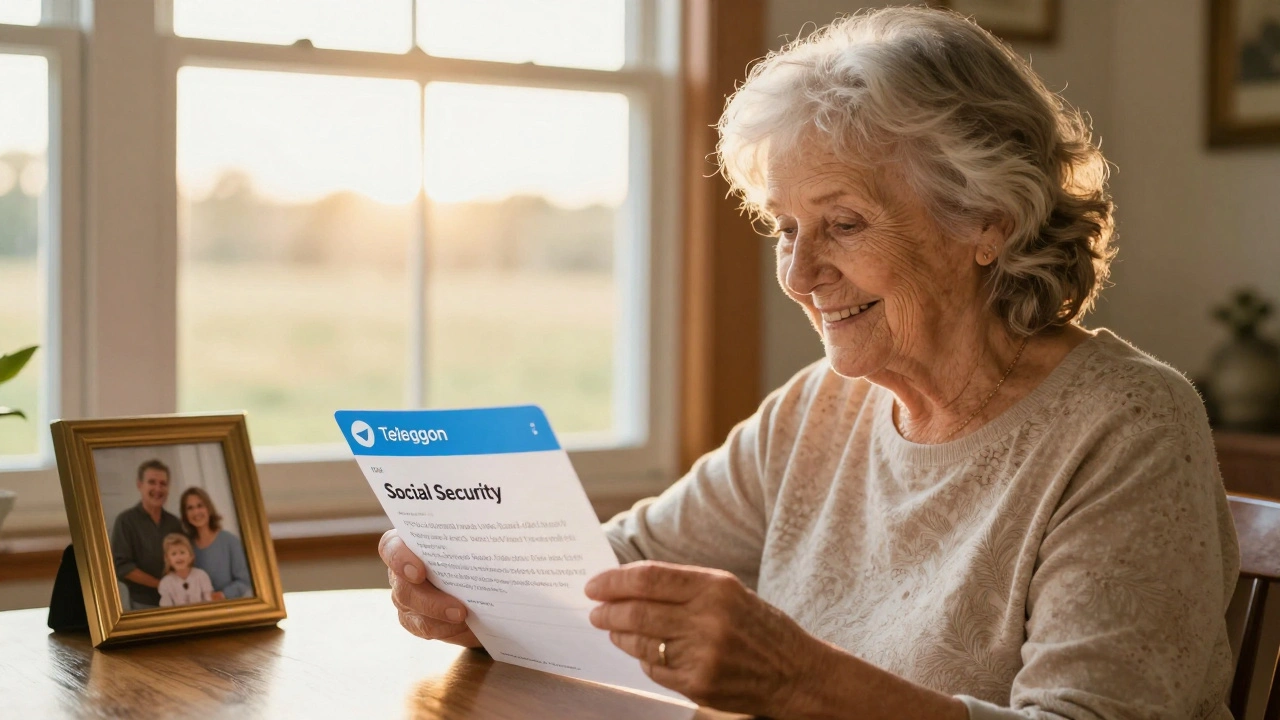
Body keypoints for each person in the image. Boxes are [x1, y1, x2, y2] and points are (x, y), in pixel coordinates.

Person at [377, 8, 1239, 719]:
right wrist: (471, 589)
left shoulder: (1130, 426)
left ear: (989, 221)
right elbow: (616, 568)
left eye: (845, 224)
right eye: (785, 227)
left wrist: (799, 682)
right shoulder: (819, 409)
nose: (798, 273)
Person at [111, 459, 186, 609]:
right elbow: (122, 567)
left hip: (178, 601)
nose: (158, 488)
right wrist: (161, 585)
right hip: (144, 605)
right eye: (152, 482)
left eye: (163, 483)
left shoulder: (175, 523)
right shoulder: (125, 521)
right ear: (140, 485)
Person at [180, 487, 253, 600]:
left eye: (200, 506)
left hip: (229, 609)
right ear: (185, 514)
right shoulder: (185, 546)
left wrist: (222, 595)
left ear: (208, 508)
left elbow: (244, 581)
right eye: (190, 508)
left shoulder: (230, 541)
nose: (196, 512)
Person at [157, 533, 214, 607]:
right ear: (168, 559)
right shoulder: (166, 583)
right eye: (174, 554)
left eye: (182, 552)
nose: (179, 557)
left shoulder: (201, 575)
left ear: (191, 556)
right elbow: (166, 608)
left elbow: (209, 600)